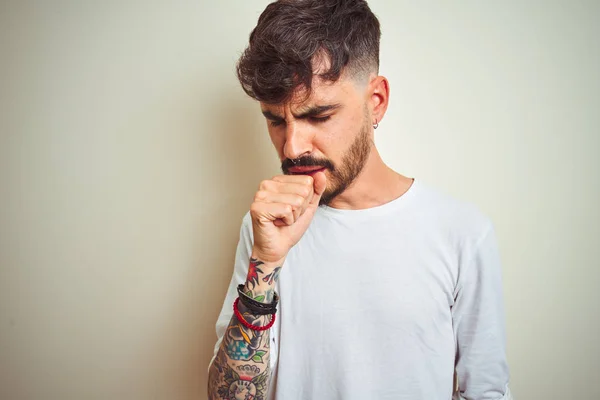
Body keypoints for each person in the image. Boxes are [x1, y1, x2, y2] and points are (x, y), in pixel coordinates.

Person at [207, 1, 512, 399]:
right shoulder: (268, 229)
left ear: (376, 101)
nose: (293, 146)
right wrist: (265, 262)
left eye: (319, 116)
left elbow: (485, 391)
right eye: (276, 120)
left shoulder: (461, 233)